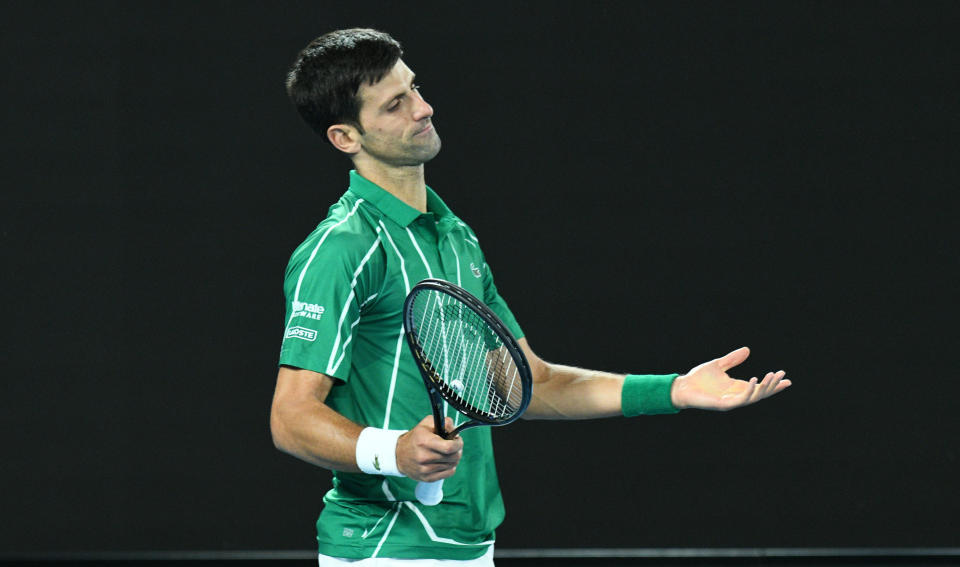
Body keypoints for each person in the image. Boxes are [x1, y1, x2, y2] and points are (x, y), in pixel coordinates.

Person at [271, 28, 791, 567]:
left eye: (415, 88)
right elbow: (290, 418)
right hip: (382, 548)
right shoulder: (342, 248)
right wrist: (394, 451)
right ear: (345, 138)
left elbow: (529, 384)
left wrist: (676, 390)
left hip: (468, 543)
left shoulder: (456, 237)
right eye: (395, 104)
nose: (424, 108)